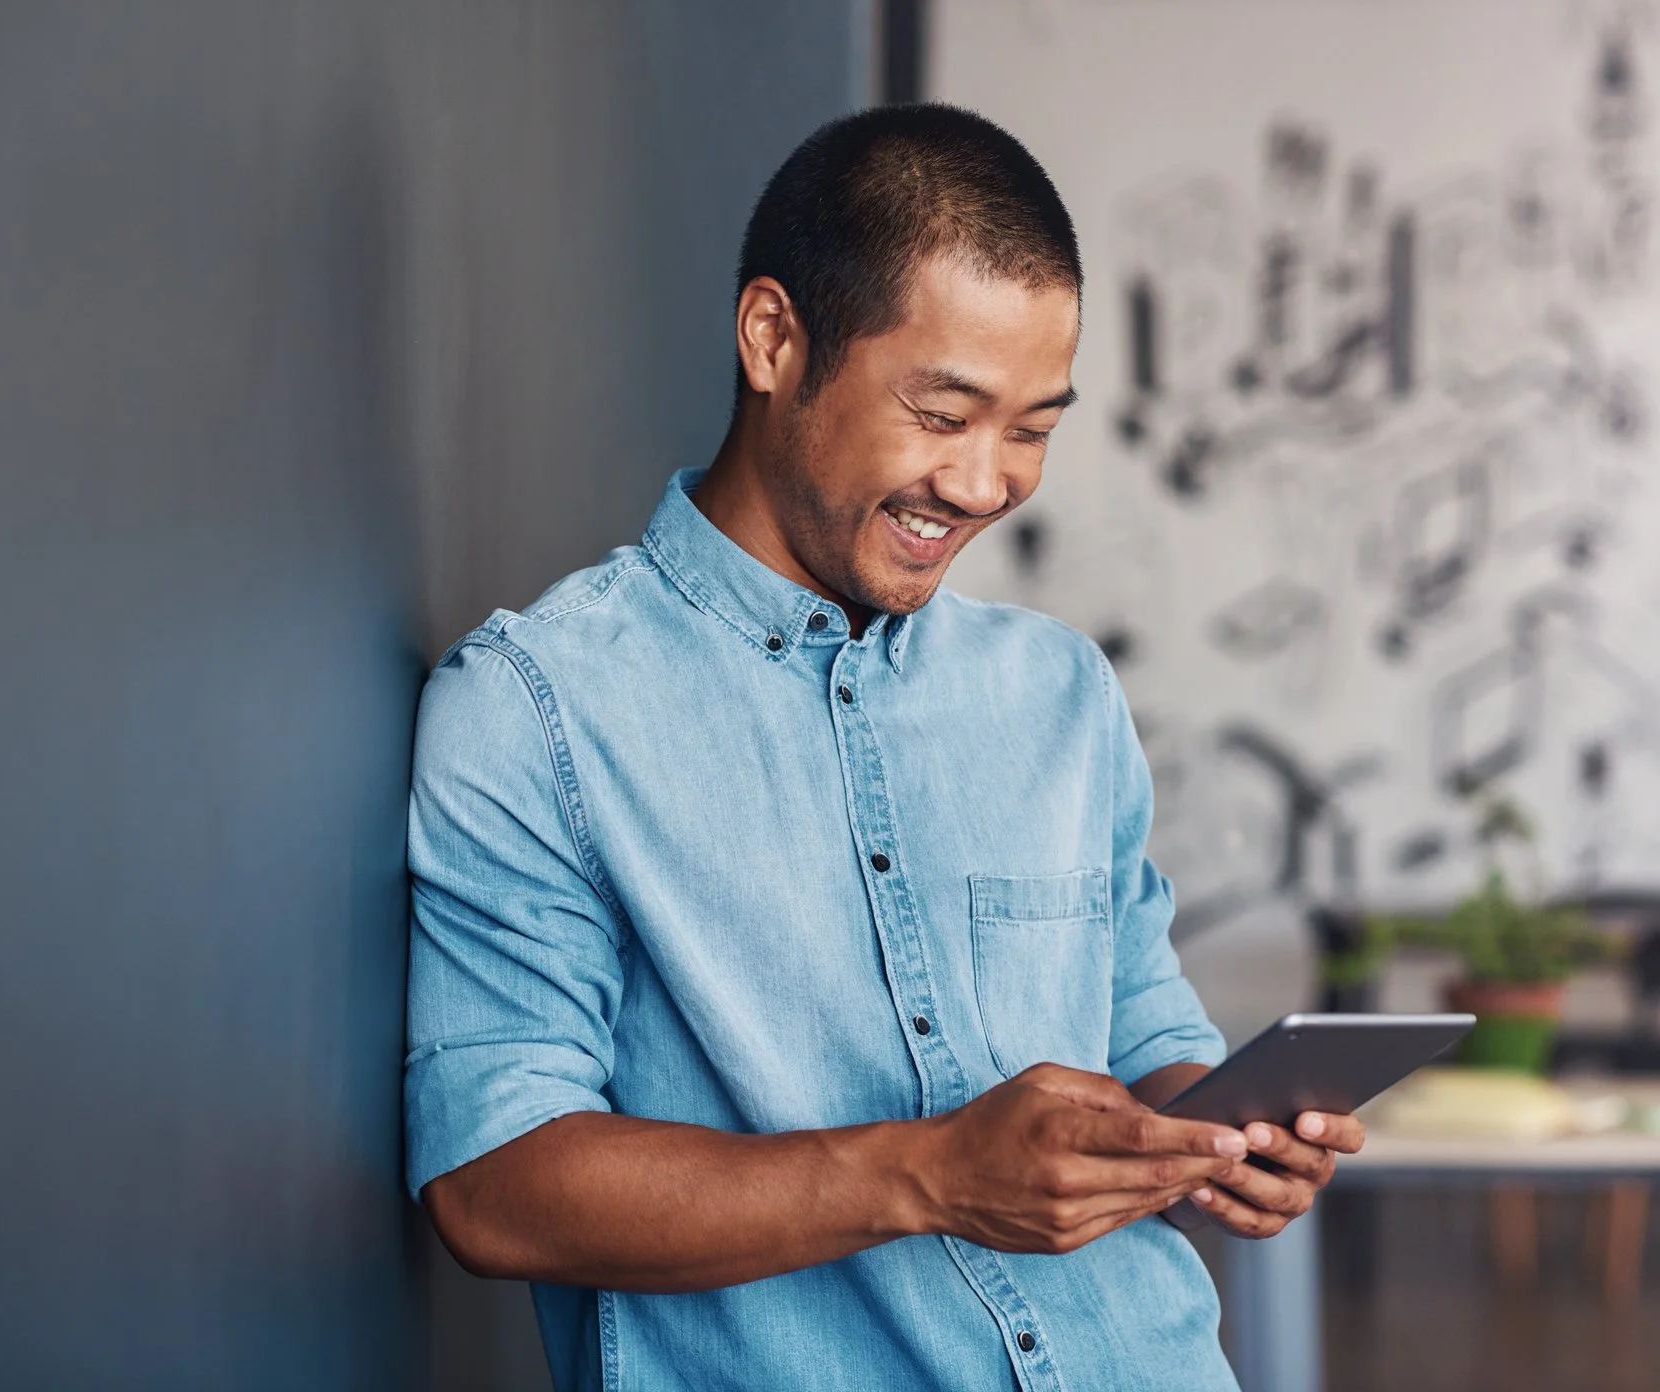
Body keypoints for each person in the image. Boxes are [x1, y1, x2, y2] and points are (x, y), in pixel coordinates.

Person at [404, 103, 1363, 1391]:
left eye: (1032, 428)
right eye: (944, 411)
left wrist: (1215, 1136)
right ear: (772, 339)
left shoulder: (1061, 693)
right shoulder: (539, 706)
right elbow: (493, 1186)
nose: (983, 486)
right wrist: (928, 1175)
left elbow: (1143, 1034)